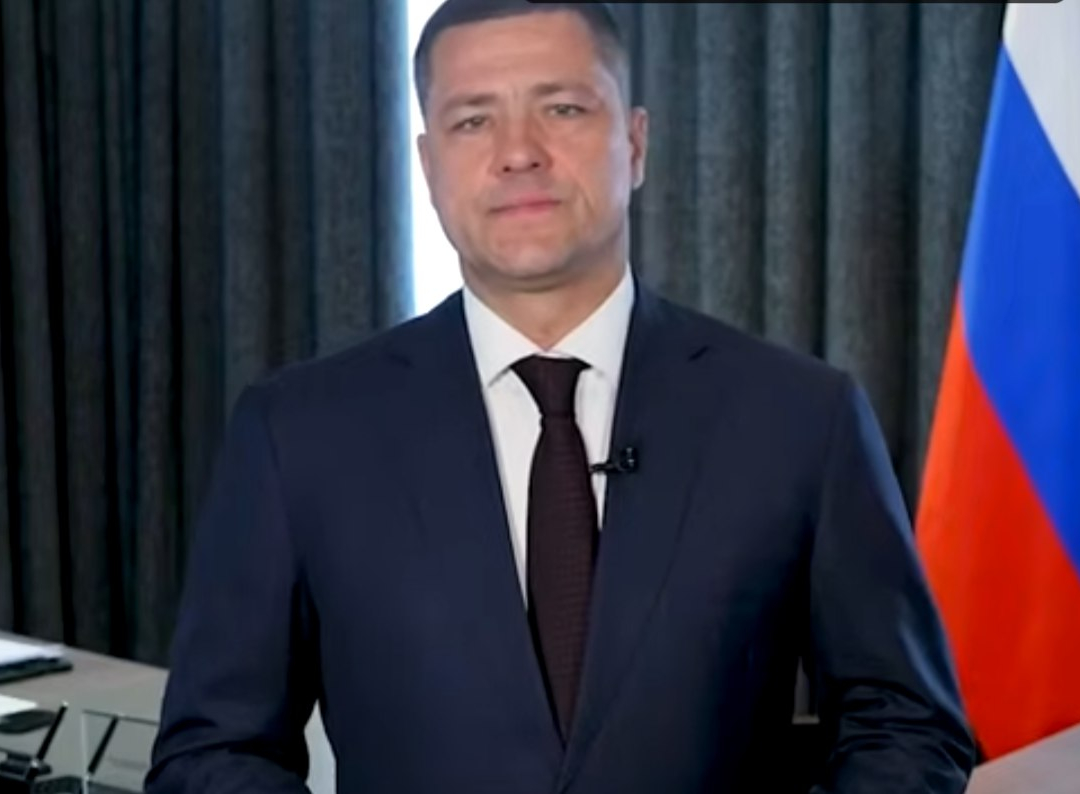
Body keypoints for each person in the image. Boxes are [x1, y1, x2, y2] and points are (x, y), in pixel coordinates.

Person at [144, 1, 976, 791]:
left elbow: (909, 727)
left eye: (563, 110)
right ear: (428, 167)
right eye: (474, 121)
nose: (519, 152)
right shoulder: (299, 433)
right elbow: (212, 751)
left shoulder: (799, 418)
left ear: (636, 143)